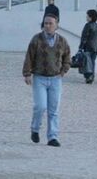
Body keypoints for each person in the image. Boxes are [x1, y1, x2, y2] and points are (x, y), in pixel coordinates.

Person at [23, 13, 71, 147]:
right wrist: (27, 73)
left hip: (56, 79)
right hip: (39, 78)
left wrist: (63, 71)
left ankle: (52, 137)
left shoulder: (62, 41)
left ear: (56, 25)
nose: (48, 26)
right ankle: (35, 129)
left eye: (50, 23)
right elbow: (29, 57)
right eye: (45, 23)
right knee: (40, 106)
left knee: (54, 109)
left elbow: (67, 57)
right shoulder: (36, 40)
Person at [78, 9, 97, 84]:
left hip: (88, 46)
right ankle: (92, 76)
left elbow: (84, 37)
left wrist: (81, 47)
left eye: (87, 16)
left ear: (91, 17)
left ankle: (88, 77)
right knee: (92, 62)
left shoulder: (88, 25)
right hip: (96, 47)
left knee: (87, 62)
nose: (86, 17)